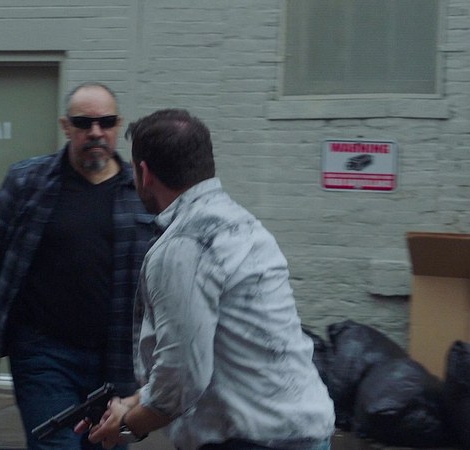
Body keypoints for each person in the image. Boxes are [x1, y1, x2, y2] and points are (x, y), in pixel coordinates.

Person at [79, 109, 336, 450]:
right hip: (297, 432)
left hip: (252, 442)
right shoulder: (240, 224)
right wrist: (129, 403)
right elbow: (206, 353)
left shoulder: (183, 247)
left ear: (144, 173)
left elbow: (182, 379)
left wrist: (127, 425)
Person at [0, 82, 154, 450]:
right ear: (66, 126)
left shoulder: (142, 193)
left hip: (116, 360)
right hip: (43, 353)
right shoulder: (28, 182)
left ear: (117, 125)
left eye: (105, 122)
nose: (95, 132)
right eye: (83, 123)